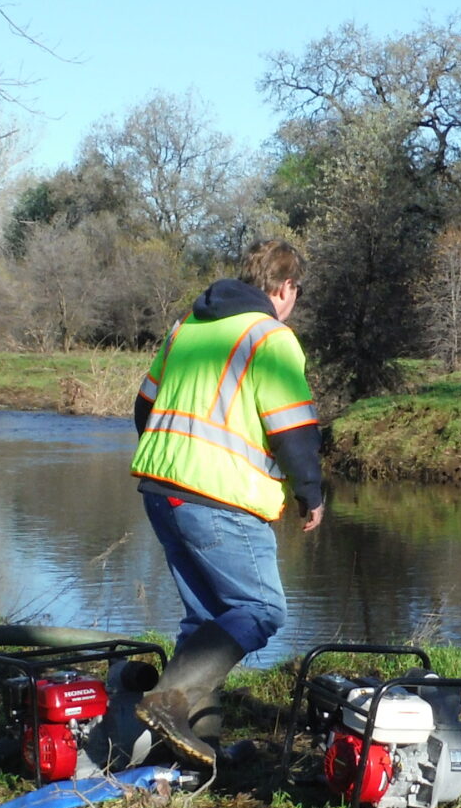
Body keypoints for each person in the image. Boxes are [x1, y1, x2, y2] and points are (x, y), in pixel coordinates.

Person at [128, 239, 324, 765]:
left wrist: (173, 460)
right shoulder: (270, 336)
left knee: (206, 619)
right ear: (285, 288)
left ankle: (193, 750)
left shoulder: (186, 329)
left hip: (160, 486)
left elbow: (143, 406)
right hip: (219, 496)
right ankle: (169, 702)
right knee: (261, 609)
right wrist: (311, 493)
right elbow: (293, 428)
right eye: (295, 293)